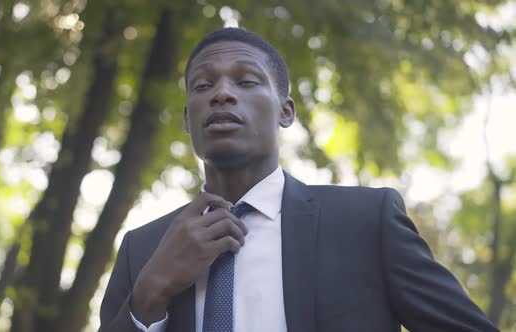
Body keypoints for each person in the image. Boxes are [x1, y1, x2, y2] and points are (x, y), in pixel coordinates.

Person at [99, 28, 498, 332]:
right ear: (188, 120)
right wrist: (150, 293)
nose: (221, 94)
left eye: (246, 81)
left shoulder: (365, 222)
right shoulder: (142, 249)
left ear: (285, 112)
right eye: (203, 86)